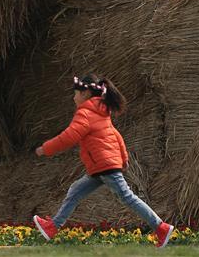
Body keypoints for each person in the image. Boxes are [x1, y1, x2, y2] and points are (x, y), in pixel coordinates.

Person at [32, 74, 175, 248]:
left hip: (104, 165)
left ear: (85, 94)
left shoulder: (85, 113)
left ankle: (161, 227)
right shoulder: (100, 112)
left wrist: (45, 148)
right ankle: (53, 227)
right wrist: (123, 158)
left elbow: (68, 137)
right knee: (75, 190)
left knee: (128, 197)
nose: (73, 97)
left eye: (76, 93)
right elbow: (116, 135)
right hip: (101, 166)